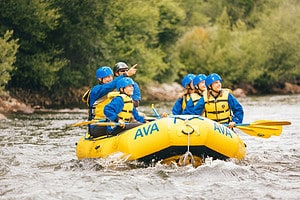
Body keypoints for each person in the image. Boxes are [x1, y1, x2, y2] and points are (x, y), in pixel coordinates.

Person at [82, 65, 136, 138]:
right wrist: (125, 74)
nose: (110, 79)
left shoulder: (114, 92)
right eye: (107, 77)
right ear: (100, 79)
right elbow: (110, 86)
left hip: (111, 122)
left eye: (110, 76)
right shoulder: (96, 91)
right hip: (96, 126)